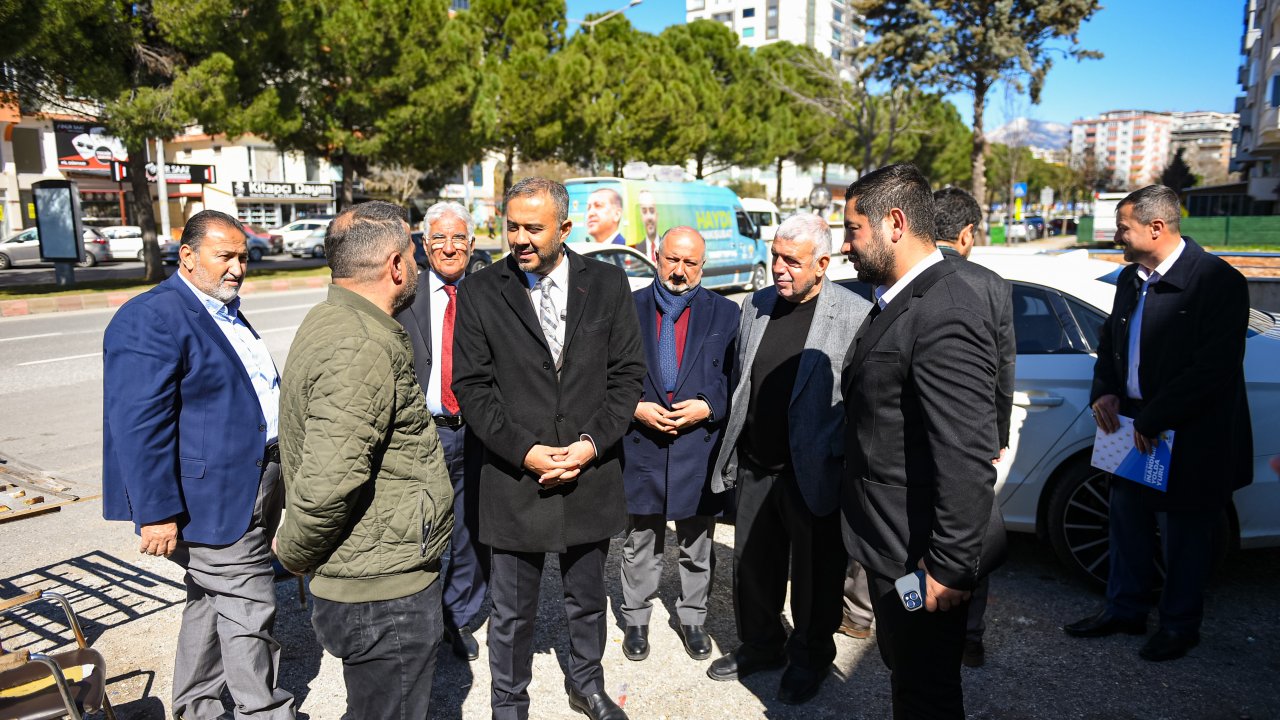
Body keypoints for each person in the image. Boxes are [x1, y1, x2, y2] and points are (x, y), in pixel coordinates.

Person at [453, 177, 645, 720]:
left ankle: (587, 685)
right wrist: (526, 452)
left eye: (532, 228)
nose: (518, 237)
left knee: (587, 600)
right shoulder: (481, 291)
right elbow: (472, 387)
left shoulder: (608, 285)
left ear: (564, 227)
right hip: (517, 479)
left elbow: (627, 376)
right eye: (511, 225)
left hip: (591, 473)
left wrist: (589, 445)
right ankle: (509, 702)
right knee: (512, 611)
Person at [102, 209, 295, 720]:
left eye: (243, 257)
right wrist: (157, 511)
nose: (237, 268)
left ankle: (195, 709)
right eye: (225, 256)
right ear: (187, 256)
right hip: (208, 499)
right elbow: (138, 426)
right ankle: (265, 712)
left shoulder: (221, 307)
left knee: (210, 603)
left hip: (253, 481)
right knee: (250, 606)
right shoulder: (153, 315)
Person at [275, 201, 454, 720]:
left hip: (374, 581)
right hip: (382, 596)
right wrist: (291, 551)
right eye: (414, 256)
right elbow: (330, 480)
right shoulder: (361, 343)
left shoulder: (336, 317)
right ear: (396, 266)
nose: (419, 266)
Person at [841, 164, 1003, 719]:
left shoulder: (946, 309)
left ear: (894, 222)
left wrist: (951, 566)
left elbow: (965, 454)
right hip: (892, 540)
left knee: (926, 691)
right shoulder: (900, 298)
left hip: (923, 555)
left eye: (852, 230)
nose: (844, 246)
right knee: (907, 674)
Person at [1064, 185, 1253, 662]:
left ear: (1156, 227)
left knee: (1184, 538)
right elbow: (1110, 342)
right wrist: (1103, 388)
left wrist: (1156, 416)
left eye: (1122, 227)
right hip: (1134, 429)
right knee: (1126, 521)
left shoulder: (1217, 281)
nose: (1116, 236)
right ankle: (1124, 610)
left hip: (1189, 435)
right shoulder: (1131, 279)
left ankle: (1178, 626)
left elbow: (1214, 368)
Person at [706, 213, 870, 705]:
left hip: (815, 470)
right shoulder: (756, 304)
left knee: (816, 578)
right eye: (775, 256)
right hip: (758, 462)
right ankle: (761, 645)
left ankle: (810, 657)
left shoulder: (855, 312)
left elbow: (861, 398)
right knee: (753, 565)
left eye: (791, 261)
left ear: (822, 264)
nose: (778, 268)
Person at [619, 226, 739, 663]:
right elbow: (603, 373)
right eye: (673, 259)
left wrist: (709, 407)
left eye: (691, 263)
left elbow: (737, 378)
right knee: (641, 540)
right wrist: (633, 407)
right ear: (657, 255)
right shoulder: (627, 309)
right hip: (642, 442)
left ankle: (693, 618)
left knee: (697, 542)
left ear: (702, 266)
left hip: (697, 446)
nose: (680, 270)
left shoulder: (726, 313)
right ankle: (635, 619)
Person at [395, 200, 489, 662]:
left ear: (471, 245)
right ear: (423, 244)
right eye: (439, 239)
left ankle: (458, 616)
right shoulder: (403, 294)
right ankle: (421, 618)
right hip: (421, 432)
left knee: (472, 529)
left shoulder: (491, 293)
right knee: (419, 529)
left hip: (476, 433)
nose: (449, 247)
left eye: (458, 239)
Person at [932, 186, 1017, 668]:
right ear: (967, 233)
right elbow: (1004, 370)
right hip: (974, 436)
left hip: (913, 440)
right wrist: (996, 437)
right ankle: (970, 635)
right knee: (972, 536)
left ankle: (909, 616)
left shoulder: (906, 277)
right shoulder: (991, 285)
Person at [638, 189, 659, 259]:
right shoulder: (636, 250)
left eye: (652, 211)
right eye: (644, 212)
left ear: (657, 214)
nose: (649, 217)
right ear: (641, 217)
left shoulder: (667, 246)